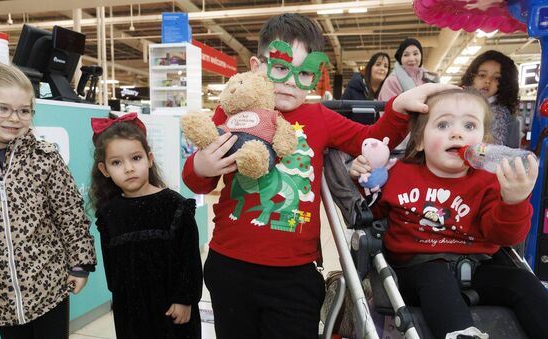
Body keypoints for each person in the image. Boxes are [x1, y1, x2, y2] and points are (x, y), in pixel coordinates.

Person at [182, 12, 456, 339]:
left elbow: (370, 140)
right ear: (257, 66)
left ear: (317, 76)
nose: (289, 82)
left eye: (304, 73)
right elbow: (197, 179)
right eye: (280, 68)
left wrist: (398, 108)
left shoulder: (320, 118)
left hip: (295, 275)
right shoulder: (232, 111)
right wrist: (201, 167)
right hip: (230, 265)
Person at [350, 88, 548, 339]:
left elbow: (504, 236)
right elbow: (373, 211)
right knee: (436, 278)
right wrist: (364, 178)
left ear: (483, 142)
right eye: (443, 125)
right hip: (416, 270)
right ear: (420, 139)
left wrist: (515, 200)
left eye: (469, 125)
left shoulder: (490, 182)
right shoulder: (400, 173)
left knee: (523, 283)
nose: (457, 133)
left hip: (477, 268)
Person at [0, 60, 96, 339]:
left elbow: (69, 212)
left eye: (24, 110)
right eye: (2, 108)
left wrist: (80, 263)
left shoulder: (44, 157)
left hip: (48, 282)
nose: (15, 118)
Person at [89, 113, 202, 339]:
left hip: (173, 307)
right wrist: (118, 301)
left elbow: (189, 258)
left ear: (149, 159)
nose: (129, 168)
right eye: (117, 162)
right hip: (130, 309)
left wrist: (185, 299)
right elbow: (112, 266)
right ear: (104, 170)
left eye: (136, 158)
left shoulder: (174, 204)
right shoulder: (109, 213)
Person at [460, 50, 521, 148]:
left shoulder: (508, 119)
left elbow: (512, 154)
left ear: (504, 83)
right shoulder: (454, 105)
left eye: (496, 78)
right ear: (472, 77)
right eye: (482, 75)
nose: (488, 81)